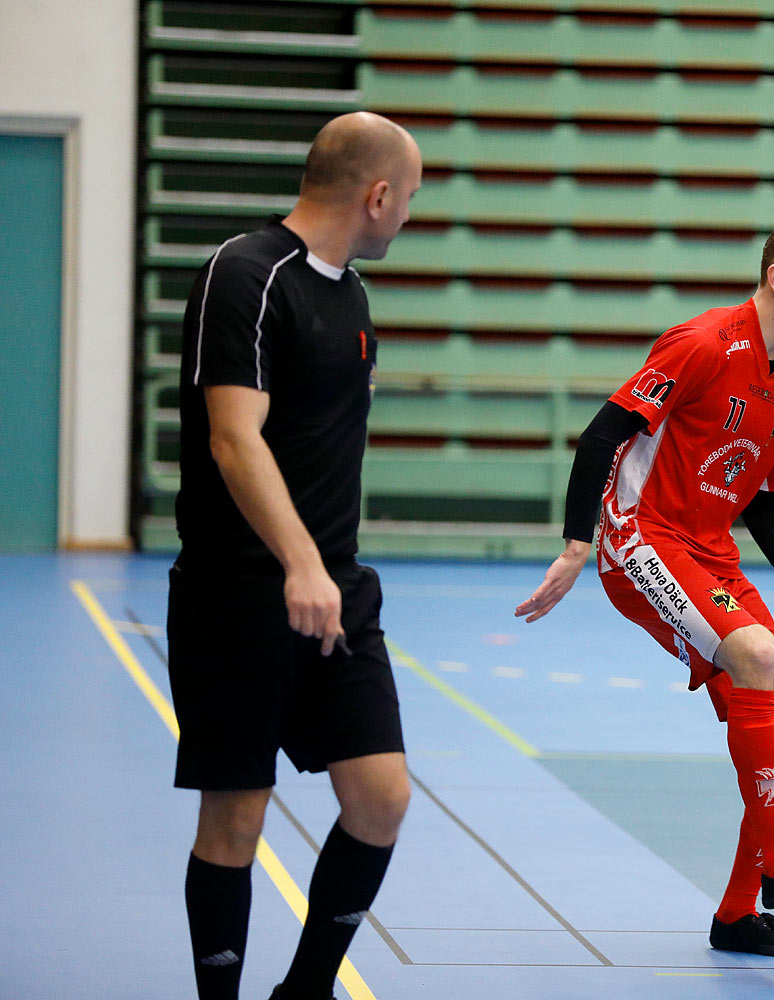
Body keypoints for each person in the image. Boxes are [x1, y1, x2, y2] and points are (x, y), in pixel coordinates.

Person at [515, 210, 774, 956]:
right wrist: (577, 547)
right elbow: (602, 434)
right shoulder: (703, 343)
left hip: (710, 553)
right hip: (641, 538)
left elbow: (762, 497)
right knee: (750, 651)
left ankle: (737, 916)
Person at [168, 111, 422, 1000]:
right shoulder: (245, 274)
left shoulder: (350, 292)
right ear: (377, 194)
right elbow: (235, 441)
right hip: (237, 596)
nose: (406, 218)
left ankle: (305, 991)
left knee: (381, 797)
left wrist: (327, 571)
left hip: (339, 592)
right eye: (409, 200)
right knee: (236, 820)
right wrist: (298, 564)